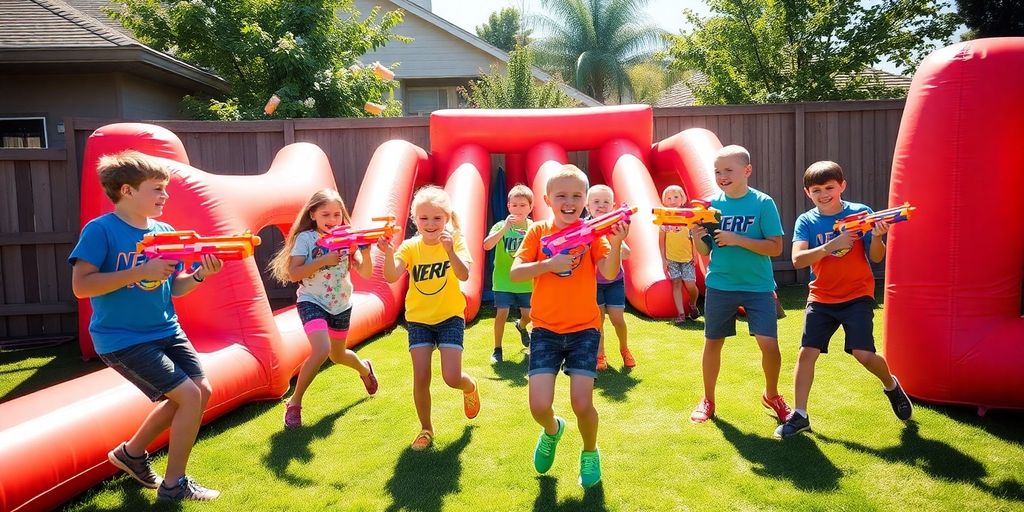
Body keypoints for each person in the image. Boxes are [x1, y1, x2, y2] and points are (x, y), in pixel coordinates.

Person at [69, 150, 220, 501]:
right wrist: (140, 271)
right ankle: (174, 486)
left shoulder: (165, 231)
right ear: (127, 191)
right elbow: (81, 287)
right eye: (157, 189)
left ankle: (131, 454)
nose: (165, 196)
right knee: (188, 396)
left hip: (167, 330)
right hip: (122, 339)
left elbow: (174, 286)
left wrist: (199, 274)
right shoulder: (100, 230)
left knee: (202, 391)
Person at [775, 161, 913, 438]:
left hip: (857, 295)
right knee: (807, 353)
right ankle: (800, 415)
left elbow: (875, 257)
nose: (824, 194)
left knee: (864, 355)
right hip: (821, 297)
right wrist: (830, 246)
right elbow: (797, 259)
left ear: (842, 186)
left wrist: (877, 236)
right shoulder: (807, 221)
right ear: (807, 192)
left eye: (829, 188)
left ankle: (890, 385)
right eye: (817, 190)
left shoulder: (861, 213)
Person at [511, 164, 628, 489]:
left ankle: (590, 451)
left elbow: (607, 270)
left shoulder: (592, 233)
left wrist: (616, 242)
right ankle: (552, 430)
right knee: (538, 406)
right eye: (561, 195)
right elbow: (516, 273)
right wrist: (549, 264)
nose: (569, 201)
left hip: (585, 330)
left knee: (582, 403)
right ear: (548, 199)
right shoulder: (538, 232)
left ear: (585, 199)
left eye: (577, 195)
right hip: (545, 329)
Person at [689, 145, 792, 425]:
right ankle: (708, 399)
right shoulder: (710, 207)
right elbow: (704, 252)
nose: (722, 176)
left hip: (758, 287)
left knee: (769, 345)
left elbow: (775, 248)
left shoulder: (763, 203)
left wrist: (737, 239)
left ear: (747, 171)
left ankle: (772, 395)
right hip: (720, 285)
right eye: (717, 171)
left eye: (728, 170)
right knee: (713, 343)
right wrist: (696, 235)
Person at [378, 185, 480, 450]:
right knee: (421, 376)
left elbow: (464, 275)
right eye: (424, 218)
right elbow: (391, 276)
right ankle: (426, 429)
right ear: (415, 220)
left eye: (437, 218)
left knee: (451, 377)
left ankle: (469, 387)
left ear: (446, 218)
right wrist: (388, 252)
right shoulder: (410, 247)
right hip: (419, 320)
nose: (431, 224)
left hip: (449, 318)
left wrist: (449, 251)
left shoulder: (455, 240)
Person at [268, 188, 379, 429]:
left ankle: (364, 368)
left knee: (337, 355)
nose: (332, 220)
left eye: (337, 215)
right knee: (321, 349)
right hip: (311, 300)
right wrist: (321, 261)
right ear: (313, 214)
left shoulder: (347, 237)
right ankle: (295, 404)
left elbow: (366, 272)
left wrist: (366, 252)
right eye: (326, 214)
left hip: (341, 304)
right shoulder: (305, 239)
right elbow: (292, 272)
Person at [482, 184, 534, 363]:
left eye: (522, 205)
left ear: (530, 207)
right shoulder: (499, 226)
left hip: (526, 281)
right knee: (502, 313)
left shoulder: (533, 227)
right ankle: (497, 349)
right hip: (503, 280)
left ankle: (521, 325)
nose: (518, 209)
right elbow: (487, 245)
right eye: (514, 205)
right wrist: (504, 228)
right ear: (508, 206)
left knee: (528, 315)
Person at [586, 185, 634, 371]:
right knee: (598, 320)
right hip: (594, 282)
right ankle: (600, 355)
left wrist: (617, 242)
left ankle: (624, 348)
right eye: (596, 202)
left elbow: (627, 254)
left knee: (617, 318)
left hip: (614, 281)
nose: (601, 205)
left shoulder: (614, 226)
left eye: (606, 202)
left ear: (613, 206)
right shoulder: (585, 227)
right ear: (588, 206)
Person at [658, 185, 700, 324]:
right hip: (672, 258)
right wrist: (664, 260)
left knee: (690, 285)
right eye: (669, 198)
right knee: (676, 283)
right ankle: (681, 313)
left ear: (683, 199)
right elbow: (661, 241)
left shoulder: (688, 218)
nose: (673, 200)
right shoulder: (664, 219)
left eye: (676, 197)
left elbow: (693, 237)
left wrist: (695, 254)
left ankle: (693, 304)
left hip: (687, 258)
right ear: (664, 202)